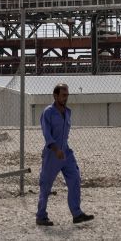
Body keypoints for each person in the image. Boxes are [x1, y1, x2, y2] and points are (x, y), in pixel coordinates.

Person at [35, 82, 94, 226]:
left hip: (66, 152)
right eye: (63, 95)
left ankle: (77, 213)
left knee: (75, 178)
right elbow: (47, 134)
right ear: (55, 96)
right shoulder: (48, 112)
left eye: (67, 95)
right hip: (52, 154)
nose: (65, 98)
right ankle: (41, 216)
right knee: (46, 184)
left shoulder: (68, 112)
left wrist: (63, 150)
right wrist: (56, 150)